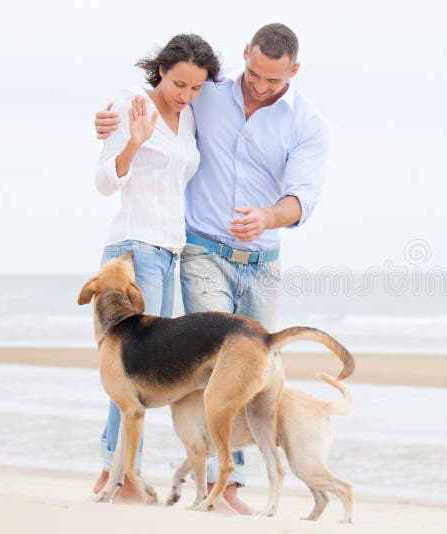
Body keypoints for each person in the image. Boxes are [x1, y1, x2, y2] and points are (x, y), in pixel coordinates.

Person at [95, 23, 329, 514]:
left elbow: (304, 198)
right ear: (245, 55)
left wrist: (267, 216)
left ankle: (227, 486)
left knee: (250, 374)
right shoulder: (207, 96)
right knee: (184, 373)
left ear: (295, 71)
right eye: (255, 73)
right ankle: (187, 482)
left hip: (256, 260)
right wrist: (108, 122)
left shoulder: (306, 123)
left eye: (274, 80)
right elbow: (156, 96)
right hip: (195, 252)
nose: (261, 86)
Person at [92, 34, 221, 504]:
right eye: (177, 83)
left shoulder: (188, 117)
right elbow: (105, 181)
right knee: (130, 373)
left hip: (169, 252)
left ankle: (118, 475)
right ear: (160, 70)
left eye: (195, 88)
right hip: (133, 251)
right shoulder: (128, 106)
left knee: (143, 371)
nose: (184, 95)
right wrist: (134, 143)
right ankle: (118, 477)